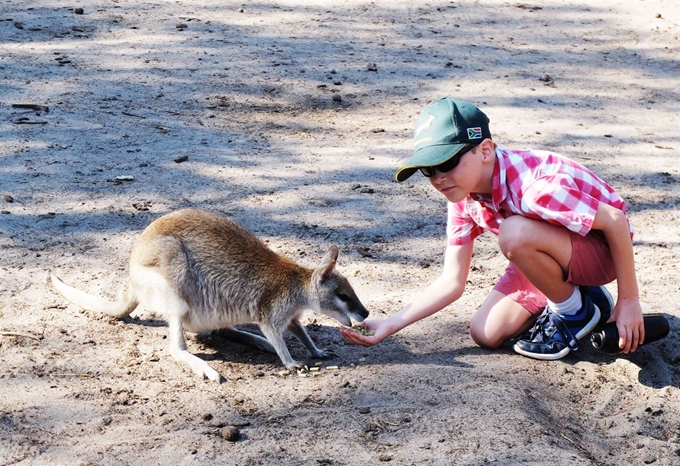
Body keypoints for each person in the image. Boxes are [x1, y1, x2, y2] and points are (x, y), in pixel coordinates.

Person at [340, 98, 645, 360]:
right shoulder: (462, 196)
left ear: (485, 151)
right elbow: (452, 281)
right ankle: (582, 296)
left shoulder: (534, 187)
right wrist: (392, 323)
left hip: (604, 252)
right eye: (427, 170)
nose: (438, 178)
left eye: (446, 163)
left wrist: (629, 301)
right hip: (547, 248)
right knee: (485, 333)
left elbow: (616, 223)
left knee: (514, 234)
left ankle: (575, 312)